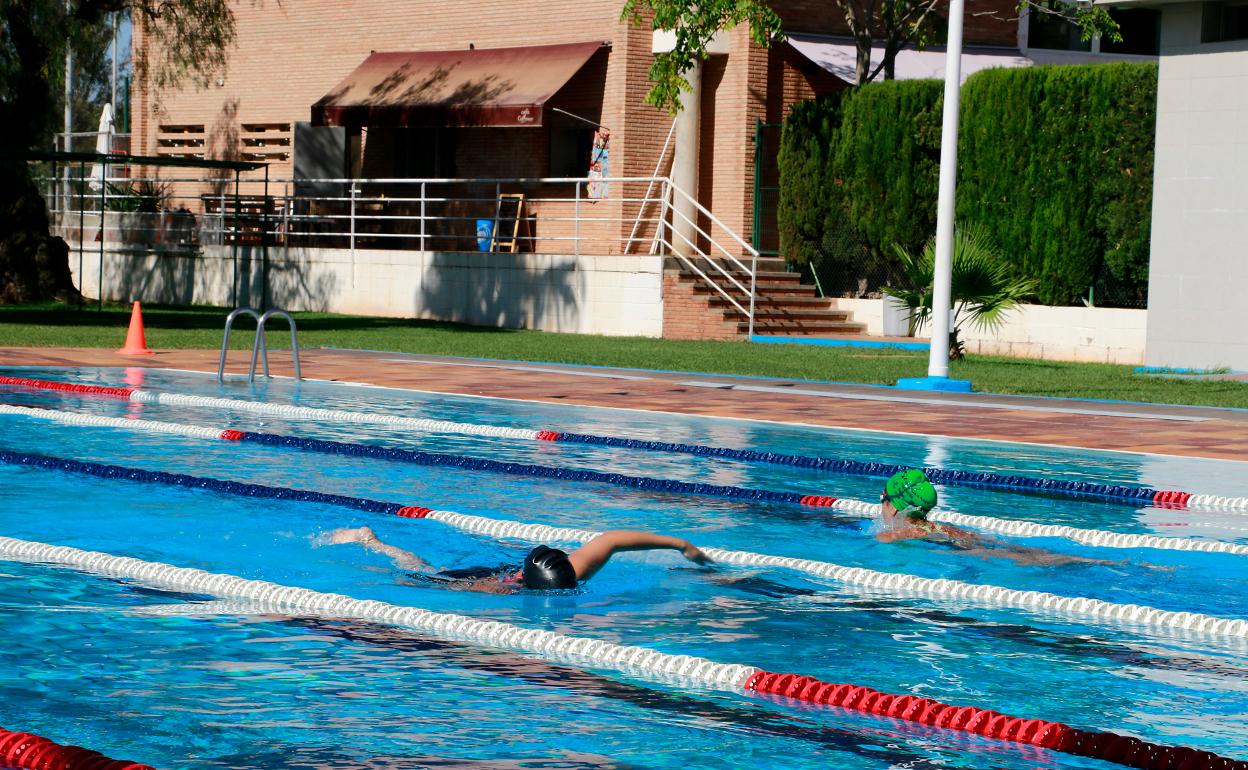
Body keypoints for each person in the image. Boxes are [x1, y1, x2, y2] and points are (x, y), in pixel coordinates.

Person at [324, 526, 713, 593]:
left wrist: (680, 545)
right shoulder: (498, 589)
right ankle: (371, 541)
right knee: (421, 574)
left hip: (512, 574)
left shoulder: (572, 573)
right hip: (482, 578)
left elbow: (611, 541)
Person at [876, 469, 1111, 567]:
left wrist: (885, 537)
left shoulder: (894, 533)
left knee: (1028, 560)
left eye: (883, 497)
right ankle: (1090, 560)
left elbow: (894, 539)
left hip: (962, 548)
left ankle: (1086, 562)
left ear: (894, 507)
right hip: (962, 537)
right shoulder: (926, 524)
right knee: (1030, 553)